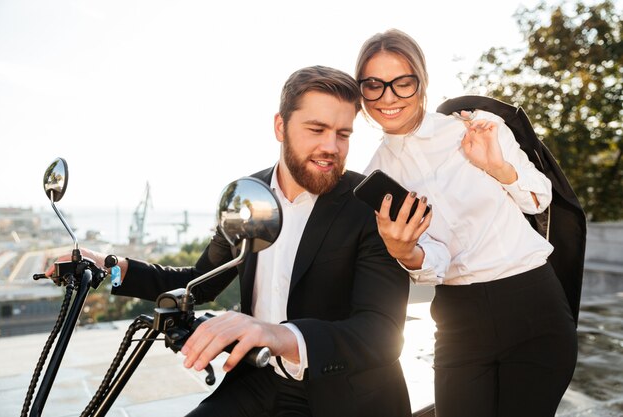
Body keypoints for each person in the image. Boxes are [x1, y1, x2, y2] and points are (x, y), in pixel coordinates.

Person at [48, 65, 412, 417]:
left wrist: (275, 334)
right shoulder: (246, 195)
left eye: (343, 134)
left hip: (342, 394)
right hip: (257, 381)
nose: (331, 146)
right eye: (316, 129)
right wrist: (115, 268)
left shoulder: (373, 208)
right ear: (280, 127)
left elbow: (381, 333)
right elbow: (202, 279)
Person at [354, 29, 578, 417]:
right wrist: (405, 252)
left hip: (532, 304)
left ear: (421, 83)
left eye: (402, 83)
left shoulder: (474, 128)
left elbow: (541, 197)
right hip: (459, 321)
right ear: (361, 91)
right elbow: (436, 263)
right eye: (374, 85)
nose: (388, 97)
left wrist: (497, 166)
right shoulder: (376, 174)